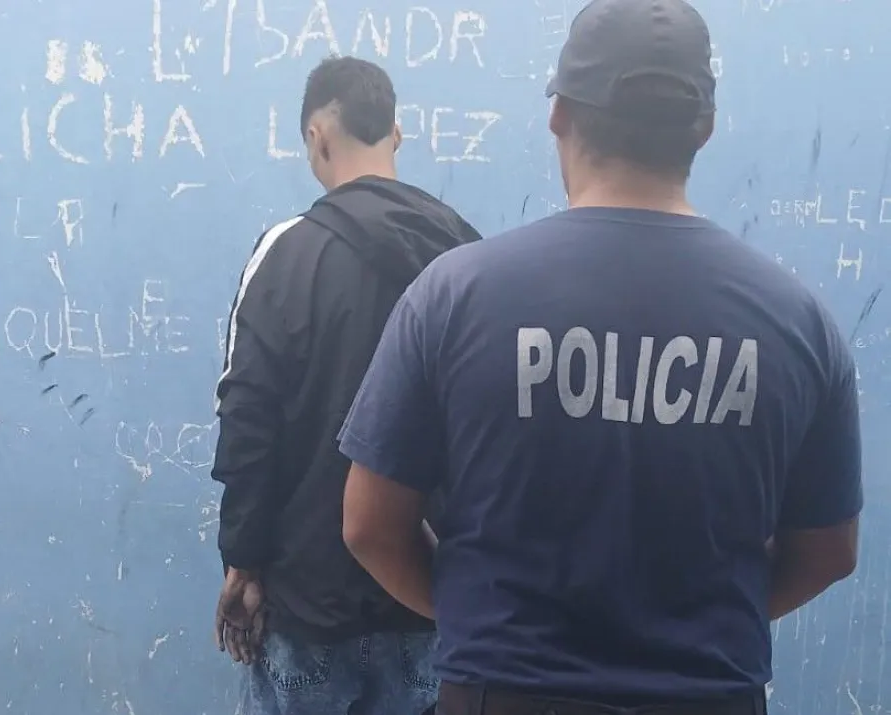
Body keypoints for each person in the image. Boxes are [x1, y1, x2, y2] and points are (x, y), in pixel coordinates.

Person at [337, 1, 863, 714]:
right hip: (709, 695)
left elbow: (370, 525)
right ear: (703, 129)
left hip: (503, 691)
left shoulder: (455, 295)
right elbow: (829, 551)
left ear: (559, 115)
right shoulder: (800, 323)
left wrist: (479, 623)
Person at [210, 55, 482, 715]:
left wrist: (243, 565)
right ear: (396, 134)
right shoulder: (467, 258)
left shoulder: (284, 254)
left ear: (316, 137)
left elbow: (248, 420)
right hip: (431, 601)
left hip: (307, 605)